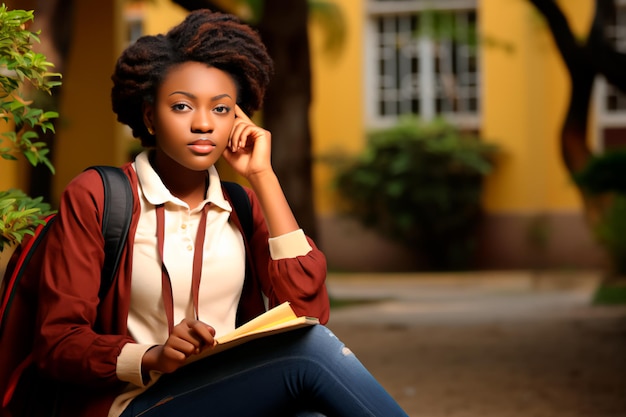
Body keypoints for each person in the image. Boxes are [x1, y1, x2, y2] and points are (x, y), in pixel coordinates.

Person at [31, 9, 409, 417]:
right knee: (312, 358)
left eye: (221, 109)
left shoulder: (241, 206)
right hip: (135, 405)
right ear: (149, 117)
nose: (202, 124)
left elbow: (308, 317)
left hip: (227, 392)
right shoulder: (99, 197)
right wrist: (152, 355)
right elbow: (58, 342)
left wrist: (262, 176)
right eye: (181, 107)